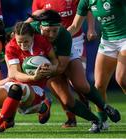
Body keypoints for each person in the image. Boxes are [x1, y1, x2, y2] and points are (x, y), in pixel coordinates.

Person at [29, 9, 121, 133]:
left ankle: (104, 107)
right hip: (46, 62)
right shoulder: (30, 30)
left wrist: (49, 70)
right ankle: (95, 121)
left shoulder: (64, 35)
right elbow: (14, 35)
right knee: (66, 101)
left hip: (61, 59)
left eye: (54, 30)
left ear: (60, 26)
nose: (51, 34)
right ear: (40, 26)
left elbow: (61, 67)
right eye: (47, 31)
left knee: (81, 85)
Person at [0, 21, 58, 135]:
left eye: (26, 41)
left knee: (18, 90)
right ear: (14, 37)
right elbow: (14, 73)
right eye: (20, 42)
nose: (23, 45)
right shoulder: (10, 46)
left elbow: (54, 60)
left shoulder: (41, 41)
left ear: (32, 36)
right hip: (19, 82)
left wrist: (52, 69)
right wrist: (33, 76)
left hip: (35, 87)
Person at [31, 0, 98, 128]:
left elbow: (87, 8)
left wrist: (91, 28)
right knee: (59, 86)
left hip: (74, 41)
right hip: (51, 45)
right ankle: (71, 118)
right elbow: (35, 17)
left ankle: (89, 105)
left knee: (78, 83)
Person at [67, 0, 126, 129]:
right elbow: (75, 26)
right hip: (107, 42)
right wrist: (60, 37)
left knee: (121, 79)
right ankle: (102, 122)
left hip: (125, 39)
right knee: (98, 86)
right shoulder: (86, 2)